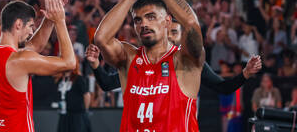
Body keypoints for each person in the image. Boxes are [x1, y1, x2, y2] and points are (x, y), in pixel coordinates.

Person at [94, 0, 204, 131]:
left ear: (168, 21)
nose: (143, 24)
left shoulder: (183, 60)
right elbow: (101, 38)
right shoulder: (129, 58)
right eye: (138, 20)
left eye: (151, 17)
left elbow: (192, 25)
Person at [0, 0, 76, 131]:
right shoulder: (20, 60)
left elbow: (35, 46)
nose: (32, 32)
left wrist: (49, 19)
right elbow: (69, 63)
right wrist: (60, 21)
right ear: (18, 24)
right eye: (31, 26)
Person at [86, 20, 262, 94]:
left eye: (175, 32)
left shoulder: (190, 62)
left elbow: (223, 88)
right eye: (167, 32)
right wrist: (95, 65)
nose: (170, 36)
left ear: (182, 37)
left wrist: (245, 73)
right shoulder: (144, 61)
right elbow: (108, 84)